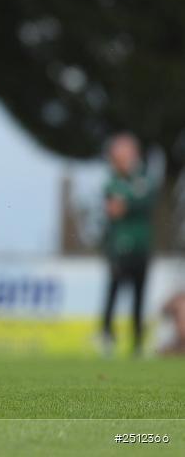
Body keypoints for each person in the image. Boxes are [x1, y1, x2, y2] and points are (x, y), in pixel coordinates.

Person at [100, 133, 158, 356]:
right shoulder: (112, 181)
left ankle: (137, 343)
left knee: (139, 295)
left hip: (141, 247)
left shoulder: (144, 178)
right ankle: (106, 335)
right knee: (113, 291)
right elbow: (113, 208)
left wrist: (127, 201)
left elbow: (139, 200)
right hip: (118, 248)